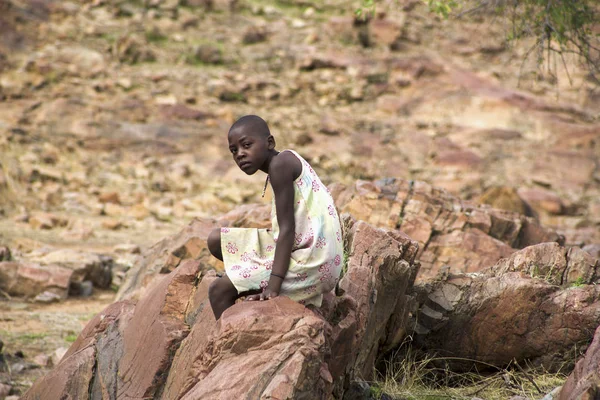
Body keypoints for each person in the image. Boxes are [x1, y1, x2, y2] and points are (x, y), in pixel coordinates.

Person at [207, 115, 344, 320]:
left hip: (313, 262)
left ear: (270, 143)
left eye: (246, 145)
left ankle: (235, 346)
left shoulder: (281, 165)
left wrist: (273, 287)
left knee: (218, 291)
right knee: (217, 239)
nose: (240, 155)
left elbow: (287, 230)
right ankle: (250, 282)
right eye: (234, 150)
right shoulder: (283, 162)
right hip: (304, 250)